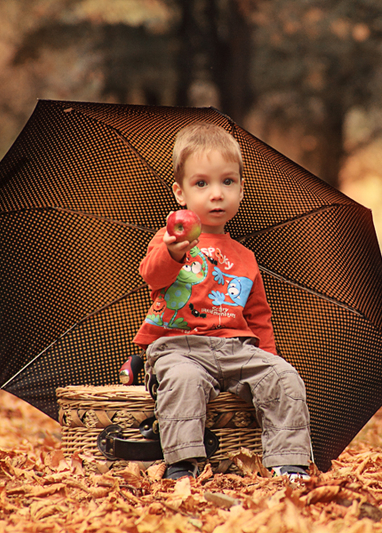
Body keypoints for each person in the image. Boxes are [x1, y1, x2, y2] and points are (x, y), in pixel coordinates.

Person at [133, 122, 312, 481]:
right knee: (183, 380)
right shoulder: (170, 240)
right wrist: (173, 253)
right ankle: (183, 463)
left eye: (227, 182)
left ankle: (289, 461)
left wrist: (269, 358)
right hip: (179, 347)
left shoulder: (245, 257)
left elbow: (258, 316)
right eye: (202, 183)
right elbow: (152, 275)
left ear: (241, 189)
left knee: (284, 376)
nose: (217, 194)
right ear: (180, 193)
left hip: (235, 350)